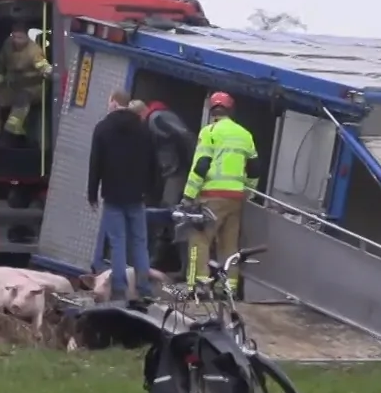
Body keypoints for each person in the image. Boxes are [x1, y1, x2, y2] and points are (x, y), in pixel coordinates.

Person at [87, 90, 158, 303]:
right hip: (136, 196)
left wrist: (92, 193)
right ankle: (144, 289)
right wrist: (149, 189)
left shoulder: (102, 128)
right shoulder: (144, 129)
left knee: (118, 242)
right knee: (139, 242)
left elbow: (95, 164)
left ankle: (119, 289)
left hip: (113, 195)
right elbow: (153, 164)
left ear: (114, 102)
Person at [181, 91, 257, 291]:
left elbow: (201, 165)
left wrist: (188, 195)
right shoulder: (245, 134)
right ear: (231, 110)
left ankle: (199, 287)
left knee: (200, 239)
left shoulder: (209, 132)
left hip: (212, 197)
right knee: (229, 244)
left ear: (212, 110)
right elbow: (255, 168)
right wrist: (249, 191)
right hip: (236, 198)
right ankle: (228, 288)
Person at [142, 100, 197, 271]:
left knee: (172, 215)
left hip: (177, 172)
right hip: (171, 173)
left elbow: (185, 135)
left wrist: (195, 163)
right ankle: (162, 261)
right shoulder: (155, 119)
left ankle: (177, 266)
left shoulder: (157, 118)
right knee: (170, 216)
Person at [0, 22, 53, 139]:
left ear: (27, 37)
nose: (16, 41)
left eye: (20, 37)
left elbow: (43, 66)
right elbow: (0, 68)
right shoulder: (7, 45)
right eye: (14, 37)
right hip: (13, 86)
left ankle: (13, 128)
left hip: (33, 87)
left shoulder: (34, 51)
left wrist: (48, 71)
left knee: (22, 97)